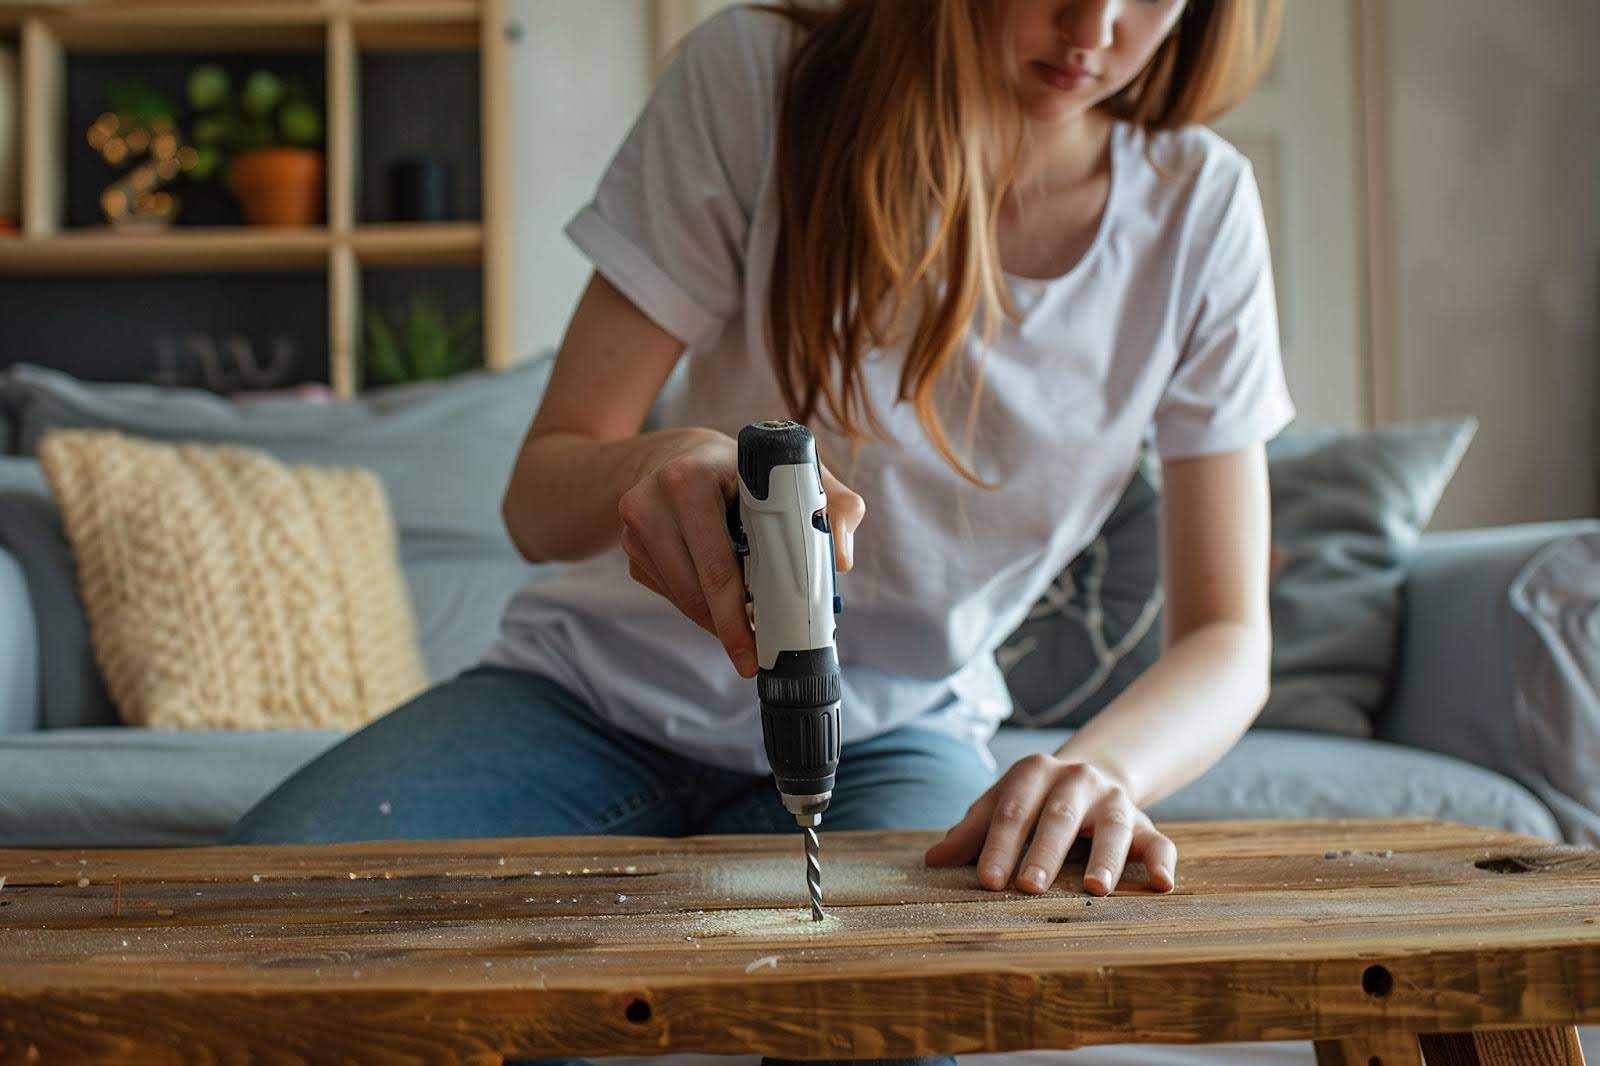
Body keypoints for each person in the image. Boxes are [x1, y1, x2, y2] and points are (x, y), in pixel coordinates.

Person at [225, 1, 1290, 1062]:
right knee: (249, 939)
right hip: (590, 695)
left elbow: (1228, 637)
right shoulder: (760, 81)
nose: (1092, 23)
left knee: (905, 1018)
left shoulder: (1199, 213)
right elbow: (538, 499)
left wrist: (1097, 767)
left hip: (892, 733)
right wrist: (654, 462)